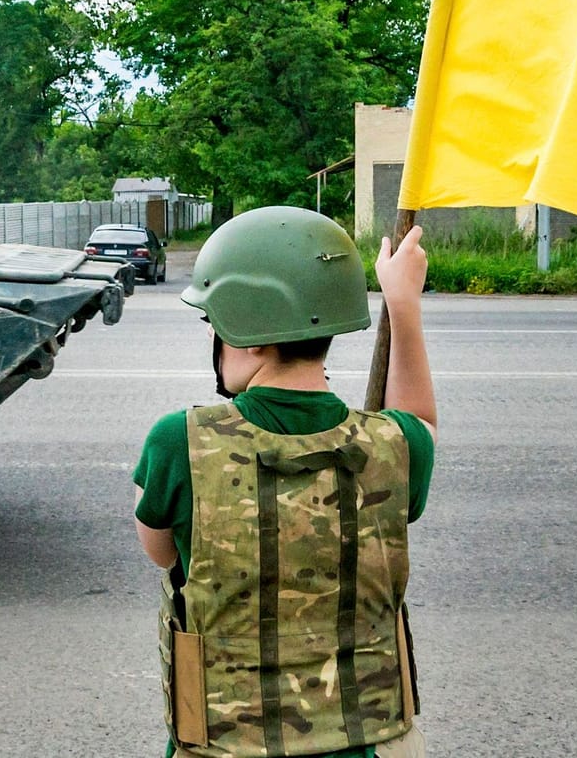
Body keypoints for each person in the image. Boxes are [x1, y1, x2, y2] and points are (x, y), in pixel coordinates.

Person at [134, 206, 436, 758]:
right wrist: (403, 304)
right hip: (375, 741)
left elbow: (161, 554)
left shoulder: (179, 441)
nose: (213, 338)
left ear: (250, 331)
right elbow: (421, 426)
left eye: (215, 324)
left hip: (225, 745)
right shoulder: (397, 444)